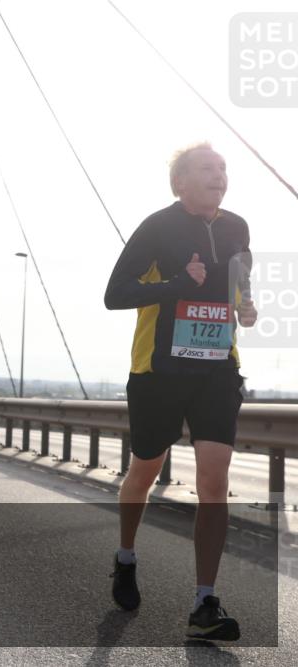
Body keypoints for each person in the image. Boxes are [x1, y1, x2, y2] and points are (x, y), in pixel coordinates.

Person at [104, 143, 256, 641]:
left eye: (223, 168)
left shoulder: (237, 227)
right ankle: (126, 557)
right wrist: (174, 285)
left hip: (217, 371)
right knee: (144, 471)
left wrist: (245, 308)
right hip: (158, 371)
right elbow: (115, 295)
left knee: (214, 480)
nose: (219, 175)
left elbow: (238, 284)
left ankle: (203, 603)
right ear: (181, 183)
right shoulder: (157, 227)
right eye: (208, 169)